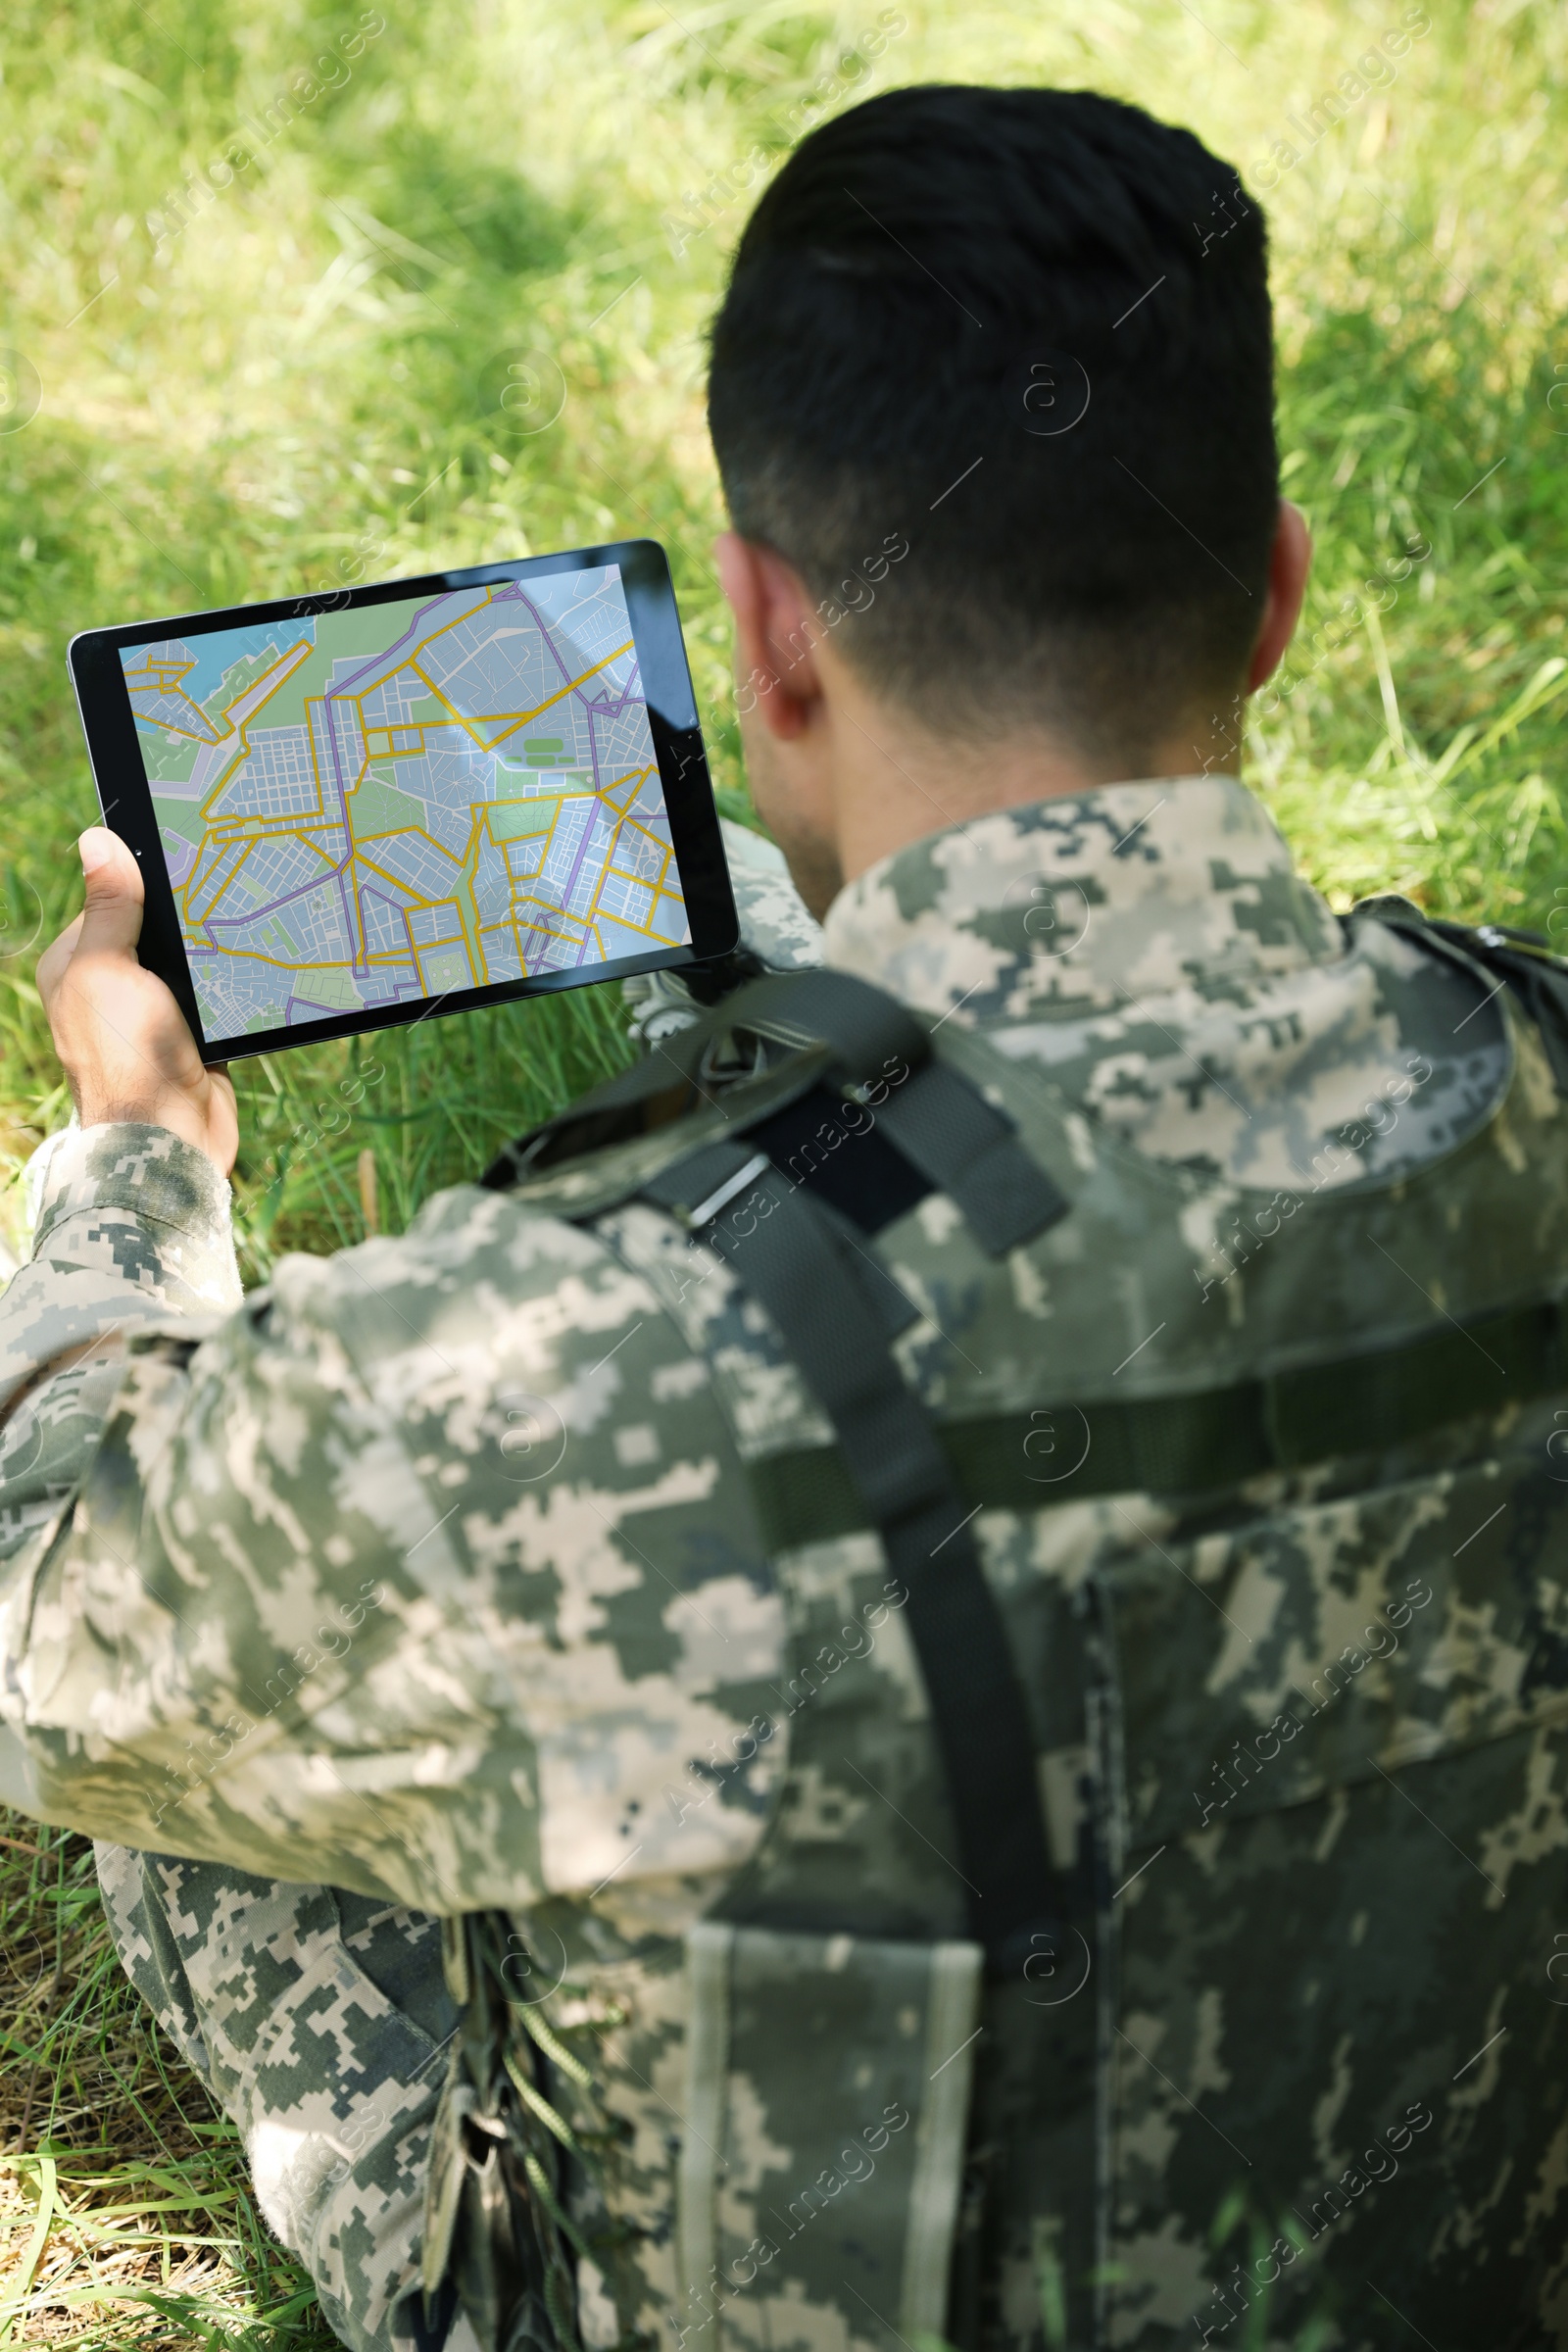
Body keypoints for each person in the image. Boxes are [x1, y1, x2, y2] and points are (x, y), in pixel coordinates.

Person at [3, 77, 1567, 2352]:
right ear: (1277, 600)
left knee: (202, 1736)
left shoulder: (533, 1366)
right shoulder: (1516, 1066)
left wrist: (137, 1158)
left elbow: (45, 1615)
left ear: (763, 639)